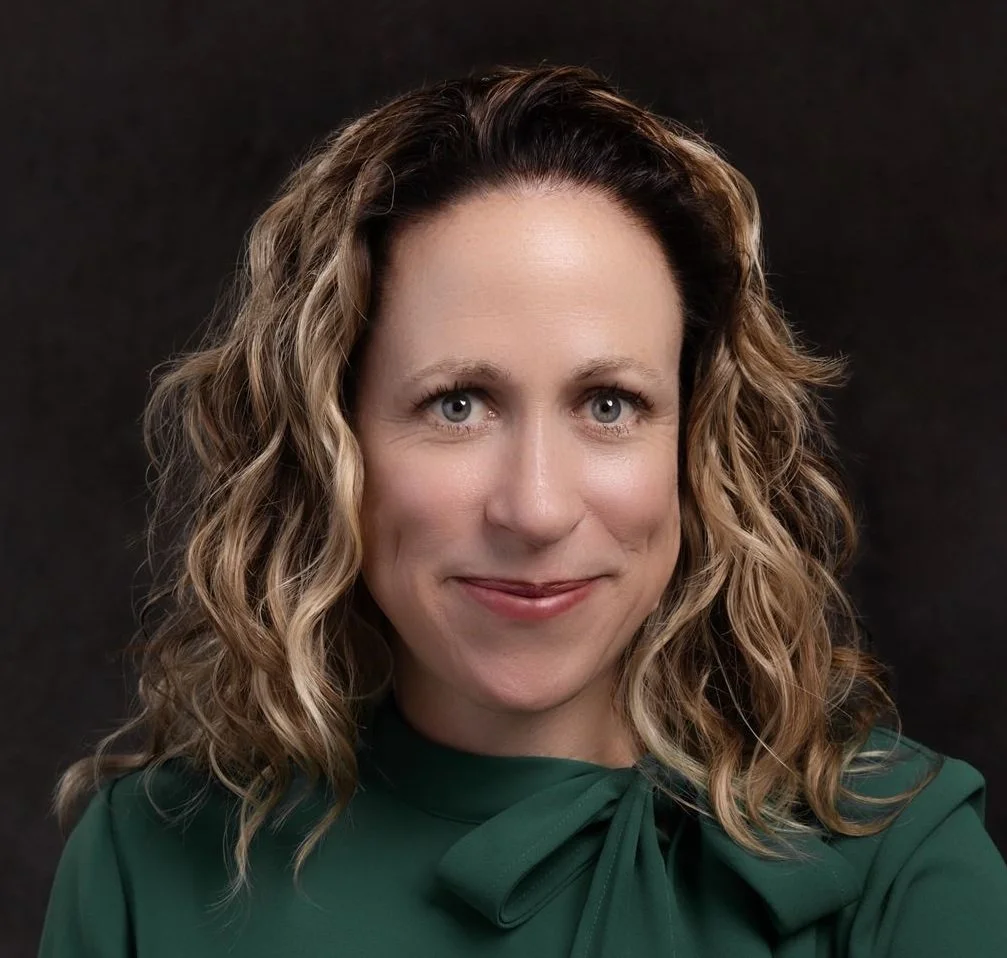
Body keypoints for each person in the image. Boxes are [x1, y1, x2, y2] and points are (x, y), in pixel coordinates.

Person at [38, 63, 1007, 957]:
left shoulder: (896, 859)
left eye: (608, 405)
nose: (535, 509)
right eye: (456, 404)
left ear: (697, 442)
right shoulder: (145, 866)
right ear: (331, 440)